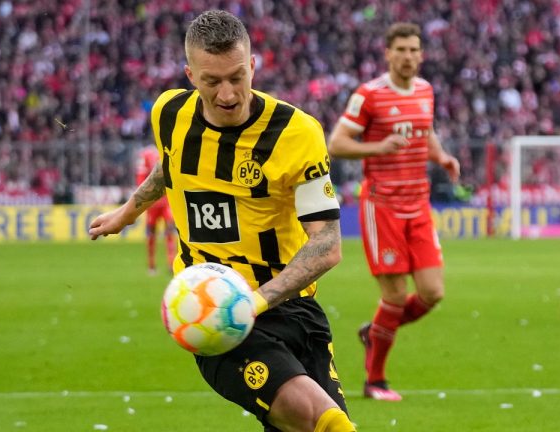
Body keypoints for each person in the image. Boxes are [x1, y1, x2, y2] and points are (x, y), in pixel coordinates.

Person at [89, 10, 355, 432]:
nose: (228, 94)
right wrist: (127, 213)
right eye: (212, 82)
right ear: (190, 74)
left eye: (237, 77)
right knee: (325, 423)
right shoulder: (169, 113)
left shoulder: (296, 133)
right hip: (214, 314)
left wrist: (257, 301)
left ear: (252, 66)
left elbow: (327, 243)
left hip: (291, 307)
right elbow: (170, 166)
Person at [327, 23, 460, 401]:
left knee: (433, 292)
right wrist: (379, 148)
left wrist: (442, 156)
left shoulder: (425, 91)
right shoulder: (369, 95)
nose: (408, 56)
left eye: (414, 49)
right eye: (400, 49)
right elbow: (336, 143)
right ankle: (375, 380)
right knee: (397, 296)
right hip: (381, 204)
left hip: (418, 202)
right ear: (387, 53)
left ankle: (376, 330)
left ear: (422, 54)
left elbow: (425, 130)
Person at [135, 145, 176, 275]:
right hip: (152, 204)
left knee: (170, 231)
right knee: (151, 235)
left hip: (167, 203)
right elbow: (140, 177)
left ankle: (171, 264)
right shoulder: (147, 154)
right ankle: (151, 265)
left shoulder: (171, 148)